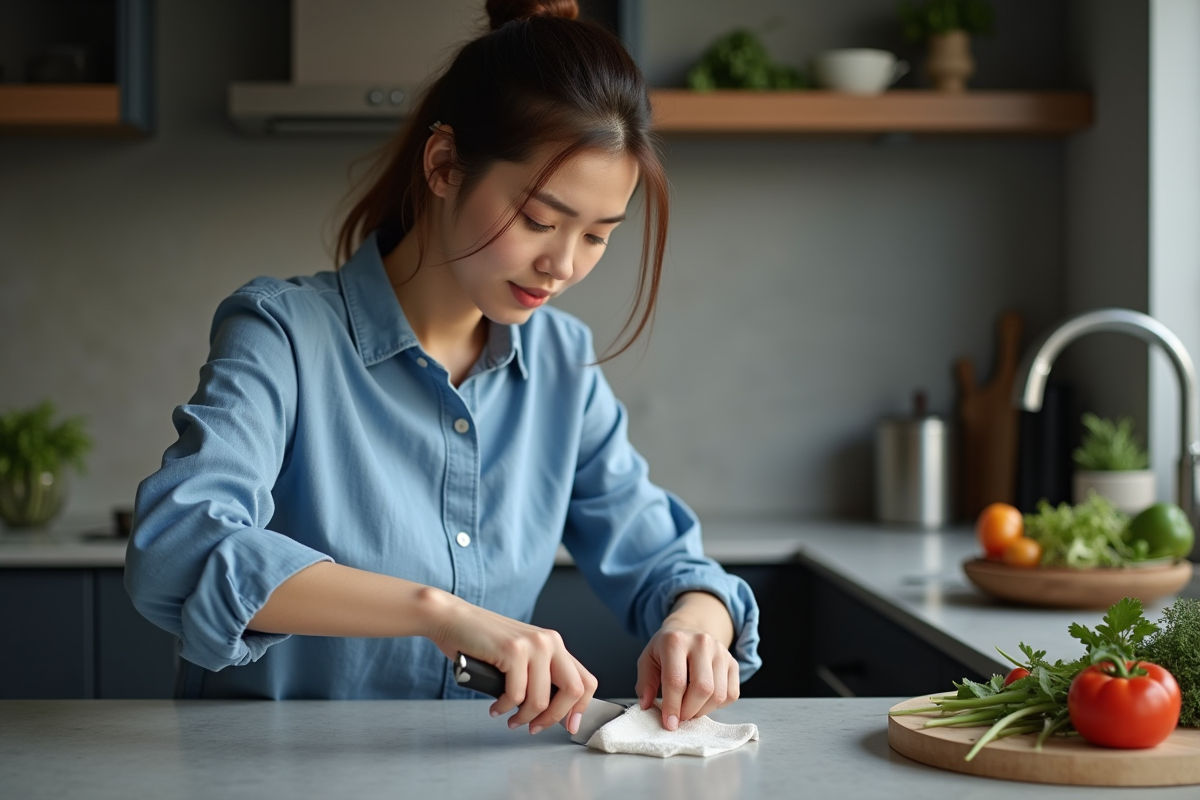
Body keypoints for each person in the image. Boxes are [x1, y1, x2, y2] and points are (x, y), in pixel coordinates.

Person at [126, 0, 760, 737]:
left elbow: (668, 564)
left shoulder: (560, 364)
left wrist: (696, 626)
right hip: (269, 774)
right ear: (443, 166)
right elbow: (179, 547)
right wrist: (437, 613)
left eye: (596, 236)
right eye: (539, 220)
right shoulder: (283, 334)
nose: (562, 265)